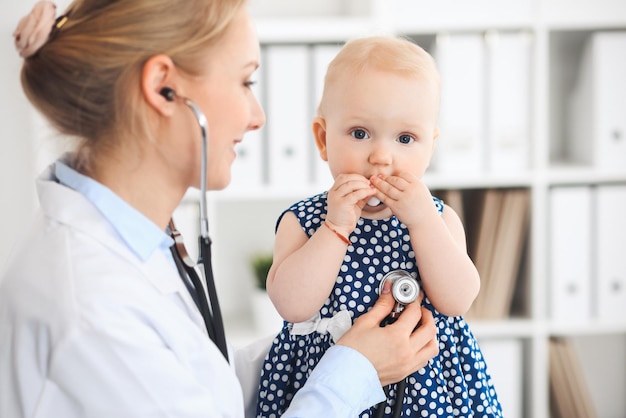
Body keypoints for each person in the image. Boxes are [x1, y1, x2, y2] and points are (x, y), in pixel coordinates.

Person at [0, 2, 441, 418]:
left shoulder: (136, 240)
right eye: (246, 82)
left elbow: (199, 392)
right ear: (163, 88)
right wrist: (356, 370)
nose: (258, 116)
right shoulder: (91, 307)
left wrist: (326, 341)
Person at [256, 36, 503, 417]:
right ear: (323, 139)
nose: (381, 157)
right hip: (330, 385)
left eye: (406, 138)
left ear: (429, 148)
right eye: (360, 133)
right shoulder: (304, 222)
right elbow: (291, 306)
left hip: (430, 386)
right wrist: (335, 228)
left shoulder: (437, 218)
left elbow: (458, 300)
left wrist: (422, 222)